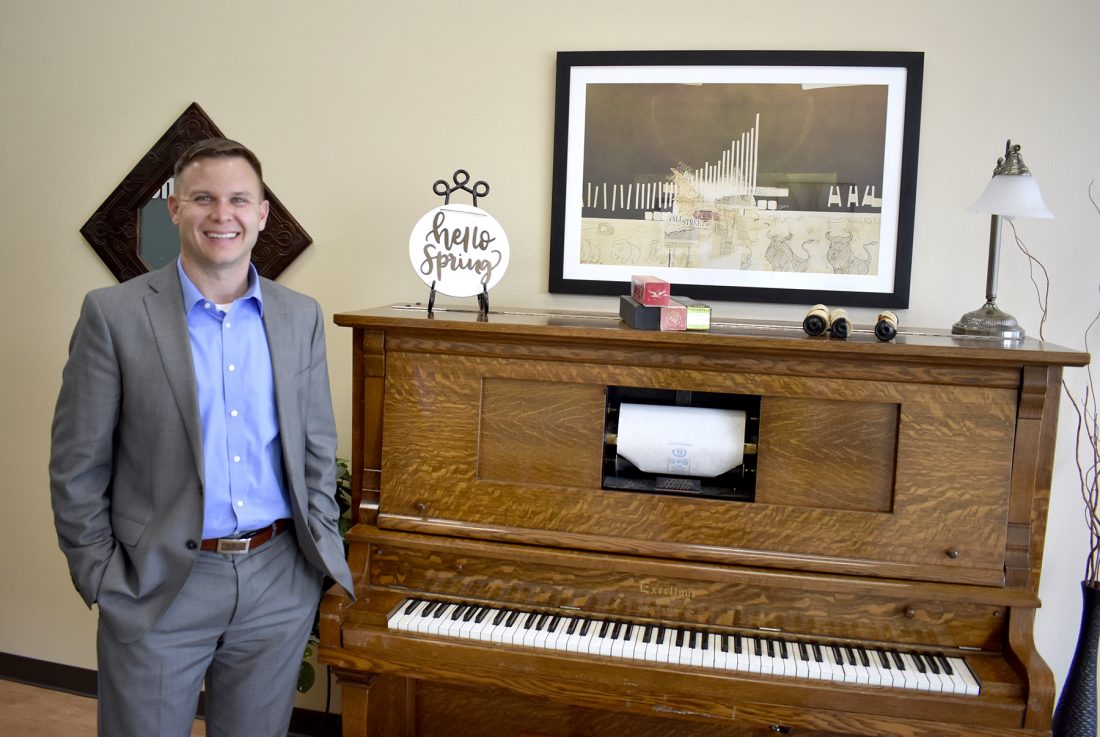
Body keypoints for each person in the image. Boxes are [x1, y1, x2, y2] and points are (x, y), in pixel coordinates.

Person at [49, 137, 354, 737]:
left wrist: (314, 562)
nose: (222, 215)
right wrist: (104, 578)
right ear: (175, 208)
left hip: (277, 580)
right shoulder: (113, 315)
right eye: (203, 198)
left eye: (239, 199)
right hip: (158, 584)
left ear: (261, 213)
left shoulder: (301, 316)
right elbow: (76, 467)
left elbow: (316, 450)